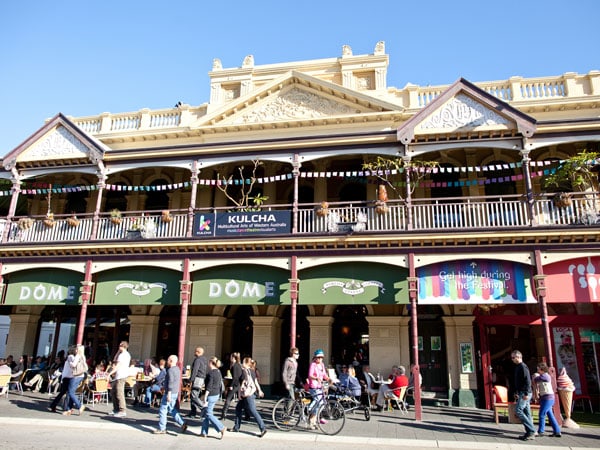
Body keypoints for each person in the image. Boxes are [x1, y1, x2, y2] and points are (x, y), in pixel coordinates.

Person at [229, 356, 266, 437]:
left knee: (252, 411)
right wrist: (259, 390)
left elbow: (241, 382)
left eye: (243, 362)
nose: (242, 363)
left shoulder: (244, 371)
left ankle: (263, 428)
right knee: (238, 408)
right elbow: (255, 381)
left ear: (246, 363)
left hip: (247, 394)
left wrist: (239, 393)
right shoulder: (252, 371)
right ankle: (236, 427)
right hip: (249, 393)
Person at [153, 354, 187, 434]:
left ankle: (162, 428)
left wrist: (168, 393)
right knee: (171, 409)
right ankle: (182, 423)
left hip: (170, 392)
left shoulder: (170, 370)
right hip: (175, 392)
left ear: (171, 361)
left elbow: (170, 382)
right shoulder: (178, 369)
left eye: (168, 360)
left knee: (163, 410)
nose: (167, 361)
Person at [510, 350, 536, 440]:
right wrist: (517, 392)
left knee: (518, 410)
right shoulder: (517, 367)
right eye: (512, 357)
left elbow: (527, 381)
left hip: (525, 392)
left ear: (519, 357)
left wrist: (525, 393)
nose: (512, 359)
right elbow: (518, 381)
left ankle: (531, 430)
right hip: (521, 392)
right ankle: (529, 432)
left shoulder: (523, 367)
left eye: (514, 357)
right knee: (527, 412)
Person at [533, 362, 561, 437]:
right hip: (545, 398)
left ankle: (541, 431)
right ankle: (557, 431)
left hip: (548, 398)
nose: (537, 370)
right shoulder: (542, 376)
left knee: (541, 414)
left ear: (542, 369)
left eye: (538, 369)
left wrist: (535, 376)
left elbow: (536, 379)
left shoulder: (545, 376)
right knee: (550, 415)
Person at [200, 356, 226, 439]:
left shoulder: (211, 373)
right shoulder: (218, 372)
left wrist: (205, 395)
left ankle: (221, 427)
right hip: (216, 394)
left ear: (211, 363)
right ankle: (204, 432)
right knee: (205, 412)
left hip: (211, 395)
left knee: (208, 413)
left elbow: (209, 385)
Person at [307, 349, 330, 428]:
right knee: (318, 402)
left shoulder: (322, 365)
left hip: (320, 386)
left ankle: (314, 419)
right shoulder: (313, 365)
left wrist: (329, 379)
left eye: (321, 357)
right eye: (318, 357)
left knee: (322, 402)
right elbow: (310, 375)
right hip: (313, 387)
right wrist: (316, 378)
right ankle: (311, 419)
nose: (320, 359)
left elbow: (324, 375)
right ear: (315, 357)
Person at [108, 341, 131, 418]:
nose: (118, 347)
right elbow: (115, 359)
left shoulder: (123, 355)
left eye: (119, 346)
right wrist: (118, 352)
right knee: (114, 391)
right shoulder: (124, 354)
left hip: (121, 375)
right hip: (119, 375)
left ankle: (122, 410)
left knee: (119, 393)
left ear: (122, 346)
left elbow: (118, 365)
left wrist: (110, 373)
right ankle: (116, 409)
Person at [220, 352, 242, 420]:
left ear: (233, 358)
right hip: (238, 384)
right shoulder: (238, 365)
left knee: (228, 399)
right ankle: (247, 414)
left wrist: (231, 385)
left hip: (234, 384)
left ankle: (224, 414)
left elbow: (235, 377)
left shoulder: (235, 366)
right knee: (241, 399)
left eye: (231, 357)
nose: (230, 358)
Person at [188, 346, 208, 418]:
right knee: (195, 394)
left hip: (197, 378)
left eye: (195, 351)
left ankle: (203, 408)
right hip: (201, 378)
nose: (194, 352)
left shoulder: (197, 360)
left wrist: (191, 380)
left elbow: (195, 370)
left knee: (194, 395)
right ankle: (193, 412)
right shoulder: (204, 360)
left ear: (198, 352)